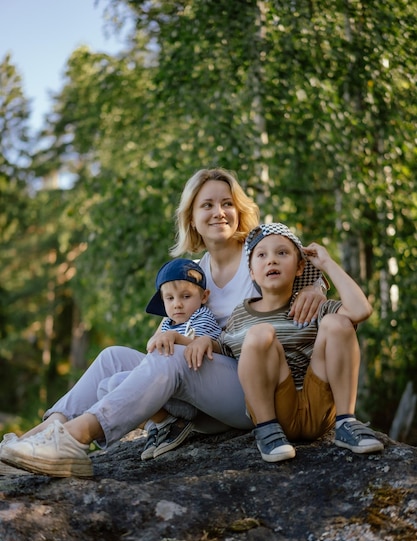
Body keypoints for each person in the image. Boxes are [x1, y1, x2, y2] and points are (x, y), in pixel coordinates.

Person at [0, 169, 327, 478]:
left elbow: (303, 266)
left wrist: (316, 287)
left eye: (227, 203)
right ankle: (36, 440)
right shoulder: (194, 271)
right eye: (207, 205)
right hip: (202, 384)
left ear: (239, 210)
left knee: (172, 359)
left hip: (251, 390)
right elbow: (164, 335)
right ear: (192, 218)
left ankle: (75, 439)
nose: (219, 212)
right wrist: (164, 339)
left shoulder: (258, 254)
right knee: (114, 356)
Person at [184, 222, 383, 462]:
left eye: (282, 253)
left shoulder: (313, 307)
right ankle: (266, 429)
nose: (272, 260)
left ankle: (346, 422)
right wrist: (203, 341)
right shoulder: (241, 314)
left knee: (338, 323)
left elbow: (361, 310)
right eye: (262, 255)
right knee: (259, 334)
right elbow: (226, 348)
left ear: (300, 267)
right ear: (252, 272)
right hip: (276, 408)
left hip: (318, 407)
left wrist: (326, 263)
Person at [141, 257, 222, 460]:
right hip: (169, 389)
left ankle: (175, 422)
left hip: (193, 390)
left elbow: (198, 344)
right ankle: (160, 424)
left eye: (186, 296)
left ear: (204, 296)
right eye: (169, 299)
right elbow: (151, 349)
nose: (177, 304)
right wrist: (158, 339)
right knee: (113, 383)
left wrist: (174, 338)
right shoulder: (168, 323)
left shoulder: (202, 316)